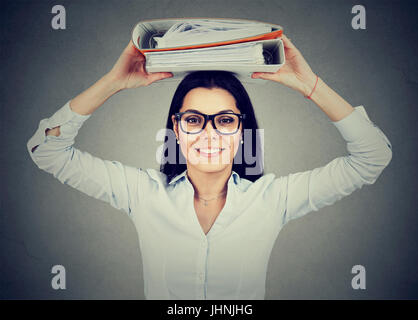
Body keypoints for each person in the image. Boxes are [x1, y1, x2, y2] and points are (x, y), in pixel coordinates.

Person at [27, 34, 392, 299]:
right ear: (176, 127)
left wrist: (310, 85)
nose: (209, 133)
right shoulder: (141, 194)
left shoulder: (272, 199)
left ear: (241, 129)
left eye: (225, 120)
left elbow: (372, 157)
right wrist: (113, 83)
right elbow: (47, 150)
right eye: (194, 120)